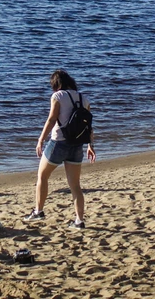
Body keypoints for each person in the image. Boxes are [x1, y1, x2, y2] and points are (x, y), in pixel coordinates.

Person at [23, 68, 96, 228]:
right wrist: (91, 145)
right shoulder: (84, 98)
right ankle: (79, 221)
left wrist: (40, 140)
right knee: (75, 185)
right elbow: (89, 126)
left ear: (56, 84)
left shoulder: (57, 96)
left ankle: (38, 211)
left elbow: (51, 120)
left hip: (58, 143)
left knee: (42, 176)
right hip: (77, 145)